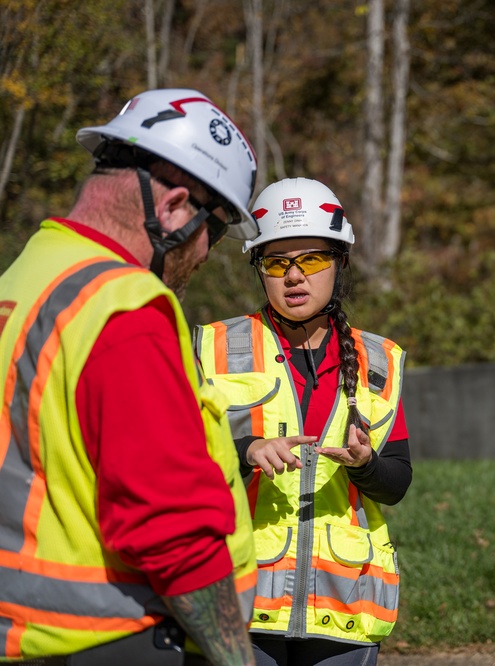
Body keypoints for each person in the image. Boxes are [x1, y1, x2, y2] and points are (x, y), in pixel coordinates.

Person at [0, 88, 259, 665]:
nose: (206, 254)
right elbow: (172, 528)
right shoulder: (123, 308)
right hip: (110, 639)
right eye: (213, 231)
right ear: (172, 209)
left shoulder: (28, 278)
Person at [194, 177, 412, 666]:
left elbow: (397, 482)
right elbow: (174, 459)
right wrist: (244, 451)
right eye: (276, 262)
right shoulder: (210, 348)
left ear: (340, 263)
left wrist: (365, 464)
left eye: (311, 259)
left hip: (346, 609)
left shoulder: (380, 360)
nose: (294, 276)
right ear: (259, 269)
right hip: (240, 607)